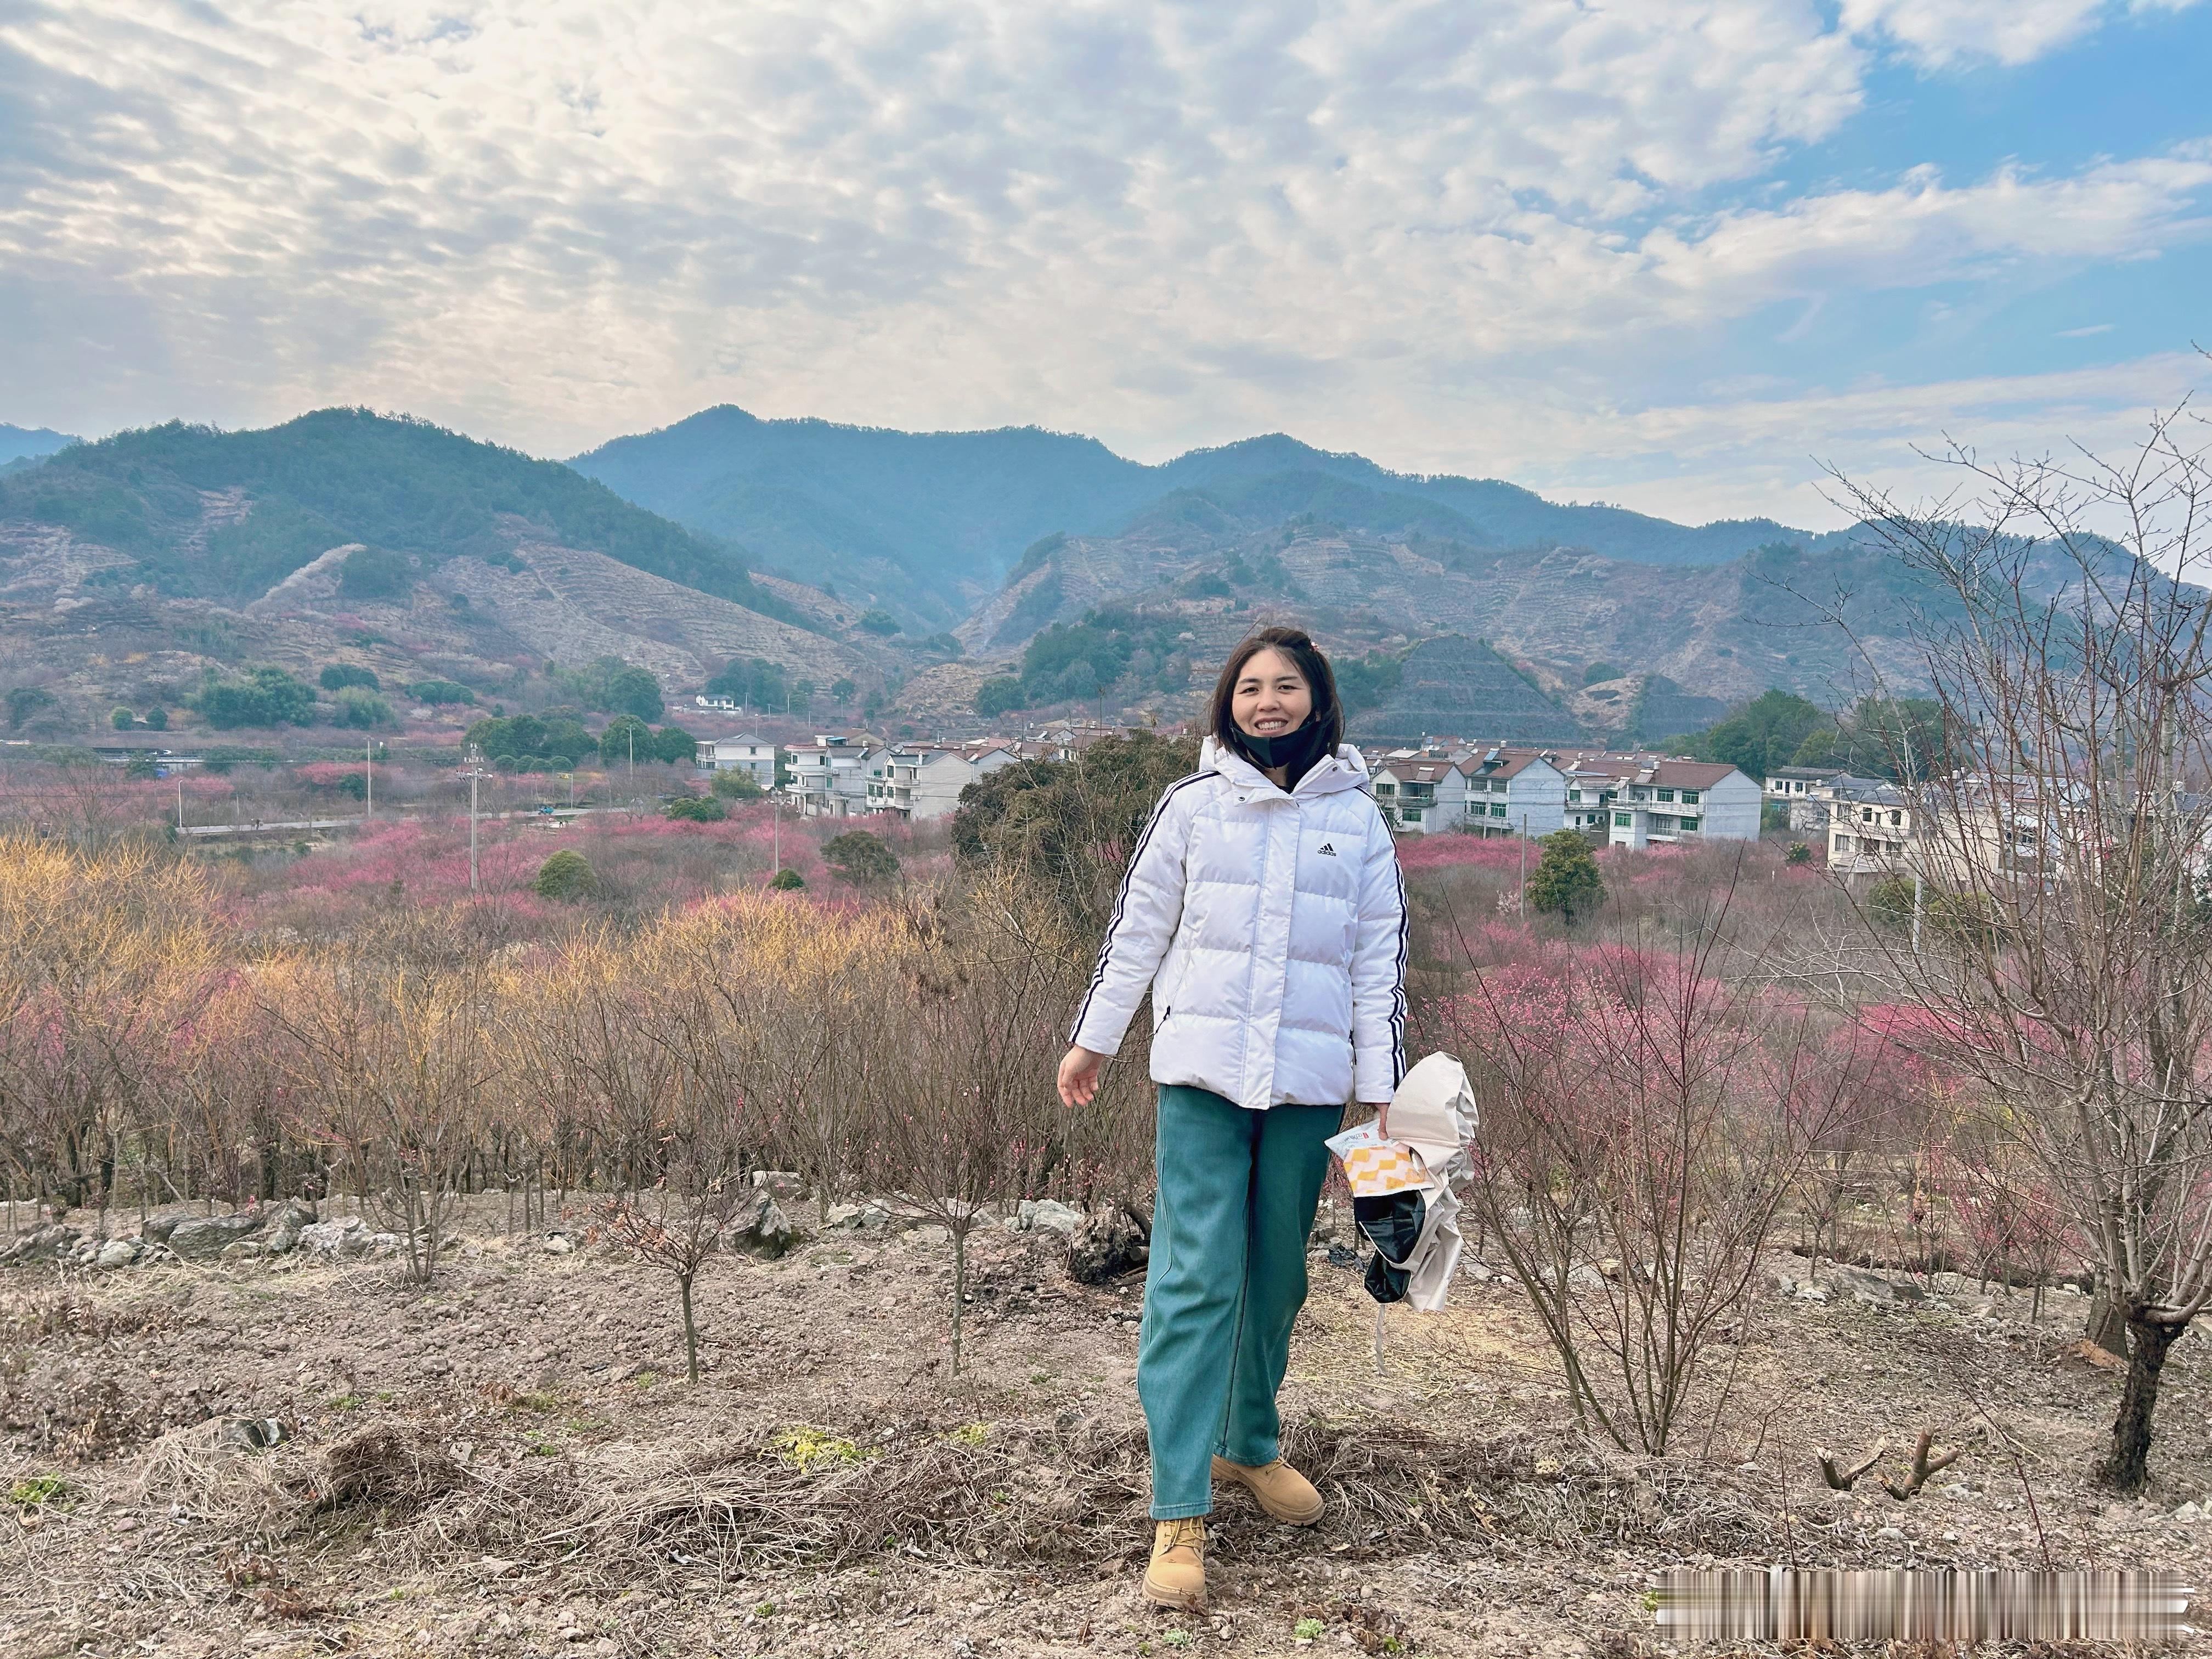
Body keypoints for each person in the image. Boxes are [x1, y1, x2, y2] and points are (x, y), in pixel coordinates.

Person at [1057, 626, 1407, 1610]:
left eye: (1285, 686)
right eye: (1249, 688)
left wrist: (1378, 1085)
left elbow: (1379, 963)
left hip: (1305, 1087)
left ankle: (1248, 1444)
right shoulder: (1193, 809)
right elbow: (1138, 930)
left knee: (1279, 1274)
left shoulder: (1361, 821)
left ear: (1318, 700)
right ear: (1228, 705)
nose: (1267, 702)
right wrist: (1096, 1039)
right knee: (1193, 1277)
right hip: (1202, 1078)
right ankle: (1178, 1508)